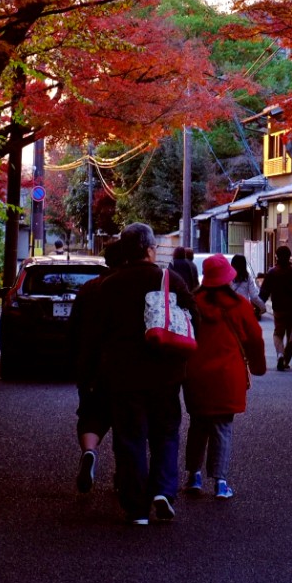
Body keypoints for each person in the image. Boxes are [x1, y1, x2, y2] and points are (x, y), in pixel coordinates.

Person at [72, 221, 195, 525]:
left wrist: (87, 375)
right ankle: (164, 492)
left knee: (130, 439)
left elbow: (93, 337)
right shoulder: (171, 279)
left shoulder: (108, 286)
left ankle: (136, 507)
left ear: (125, 251)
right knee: (166, 433)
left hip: (122, 375)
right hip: (165, 373)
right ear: (151, 250)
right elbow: (194, 323)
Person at [182, 254, 265, 499]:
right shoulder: (239, 305)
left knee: (198, 424)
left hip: (196, 374)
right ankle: (220, 482)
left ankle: (193, 477)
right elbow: (254, 339)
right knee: (222, 426)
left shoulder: (192, 303)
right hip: (228, 375)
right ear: (228, 277)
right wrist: (259, 367)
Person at [67, 233, 138, 493]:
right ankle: (121, 473)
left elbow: (74, 329)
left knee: (90, 414)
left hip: (91, 364)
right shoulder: (131, 287)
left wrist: (77, 360)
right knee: (124, 420)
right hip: (125, 364)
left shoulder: (89, 288)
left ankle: (90, 451)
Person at [258, 246, 292, 370]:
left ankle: (280, 354)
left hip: (278, 309)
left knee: (278, 334)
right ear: (289, 257)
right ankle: (285, 361)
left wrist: (259, 305)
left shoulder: (272, 273)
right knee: (291, 336)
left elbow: (264, 292)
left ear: (276, 257)